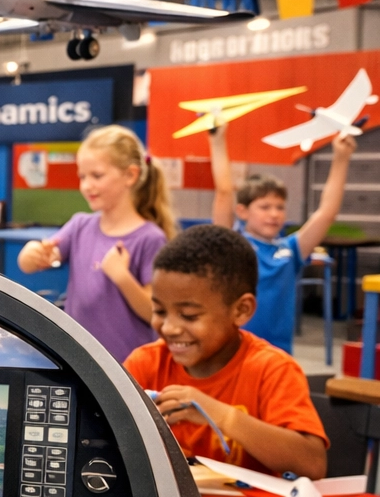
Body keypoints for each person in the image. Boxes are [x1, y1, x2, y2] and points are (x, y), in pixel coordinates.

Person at [125, 225, 328, 478]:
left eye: (189, 315)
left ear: (241, 310)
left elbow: (313, 463)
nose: (169, 328)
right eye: (160, 311)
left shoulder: (271, 369)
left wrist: (222, 416)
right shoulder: (145, 364)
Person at [18, 125, 174, 363]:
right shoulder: (80, 226)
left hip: (128, 369)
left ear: (130, 175)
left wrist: (121, 276)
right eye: (82, 176)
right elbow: (29, 264)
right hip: (80, 362)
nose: (86, 185)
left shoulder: (150, 238)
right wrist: (32, 253)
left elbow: (155, 312)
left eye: (97, 176)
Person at [209, 125, 355, 353]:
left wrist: (341, 158)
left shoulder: (291, 250)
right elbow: (224, 192)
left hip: (277, 352)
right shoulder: (232, 244)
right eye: (265, 207)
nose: (274, 213)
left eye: (280, 207)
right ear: (243, 211)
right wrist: (217, 142)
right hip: (232, 351)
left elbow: (327, 213)